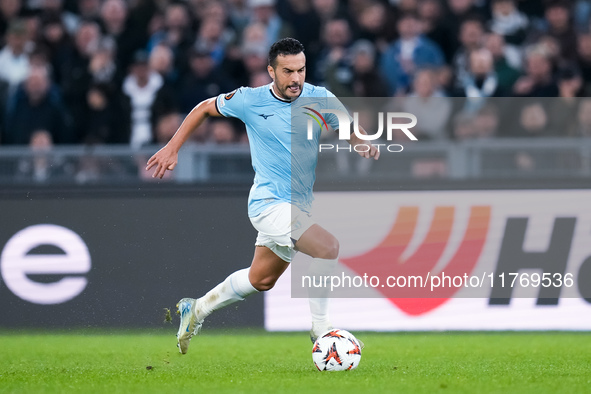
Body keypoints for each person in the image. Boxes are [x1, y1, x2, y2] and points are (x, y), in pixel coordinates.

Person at [146, 37, 379, 354]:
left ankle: (196, 309)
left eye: (301, 70)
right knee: (328, 248)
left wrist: (361, 142)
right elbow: (203, 108)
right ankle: (321, 331)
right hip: (268, 204)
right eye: (287, 71)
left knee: (261, 279)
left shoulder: (320, 97)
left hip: (299, 206)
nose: (296, 78)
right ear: (271, 71)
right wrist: (173, 147)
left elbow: (346, 125)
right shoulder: (248, 100)